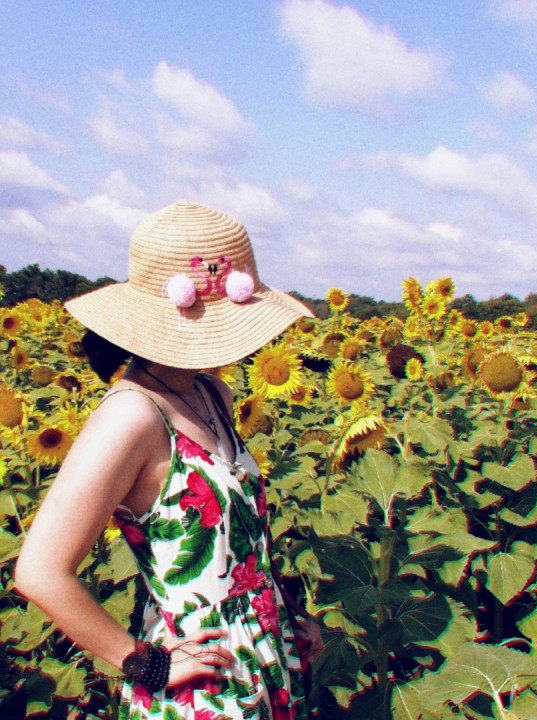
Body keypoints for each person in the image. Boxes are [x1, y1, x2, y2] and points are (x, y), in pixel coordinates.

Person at [15, 201, 323, 719]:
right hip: (201, 691)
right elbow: (39, 571)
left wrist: (288, 615)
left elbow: (238, 544)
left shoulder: (213, 393)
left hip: (262, 663)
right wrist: (147, 663)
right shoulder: (132, 416)